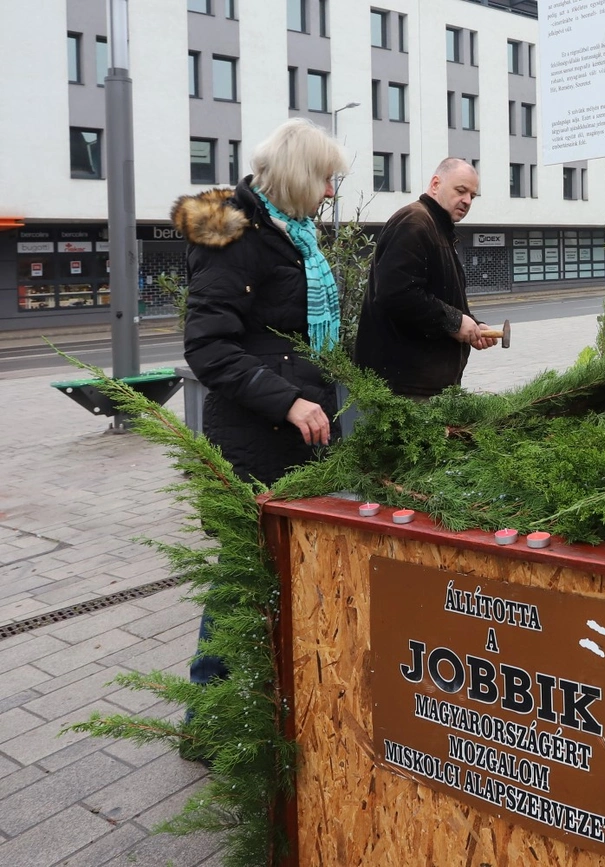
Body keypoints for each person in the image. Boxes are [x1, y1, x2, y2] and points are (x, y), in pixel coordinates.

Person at [172, 117, 348, 739]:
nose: (332, 192)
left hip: (297, 434)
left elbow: (292, 337)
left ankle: (271, 703)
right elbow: (209, 349)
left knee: (281, 572)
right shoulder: (234, 235)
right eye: (327, 178)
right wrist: (289, 402)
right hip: (256, 438)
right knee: (242, 574)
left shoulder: (292, 235)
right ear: (301, 176)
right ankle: (207, 718)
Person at [355, 158, 496, 398]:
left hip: (422, 384)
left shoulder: (437, 228)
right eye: (461, 191)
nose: (467, 201)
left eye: (473, 195)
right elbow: (396, 294)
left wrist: (471, 323)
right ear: (435, 184)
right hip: (406, 388)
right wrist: (454, 322)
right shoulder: (414, 222)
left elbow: (440, 296)